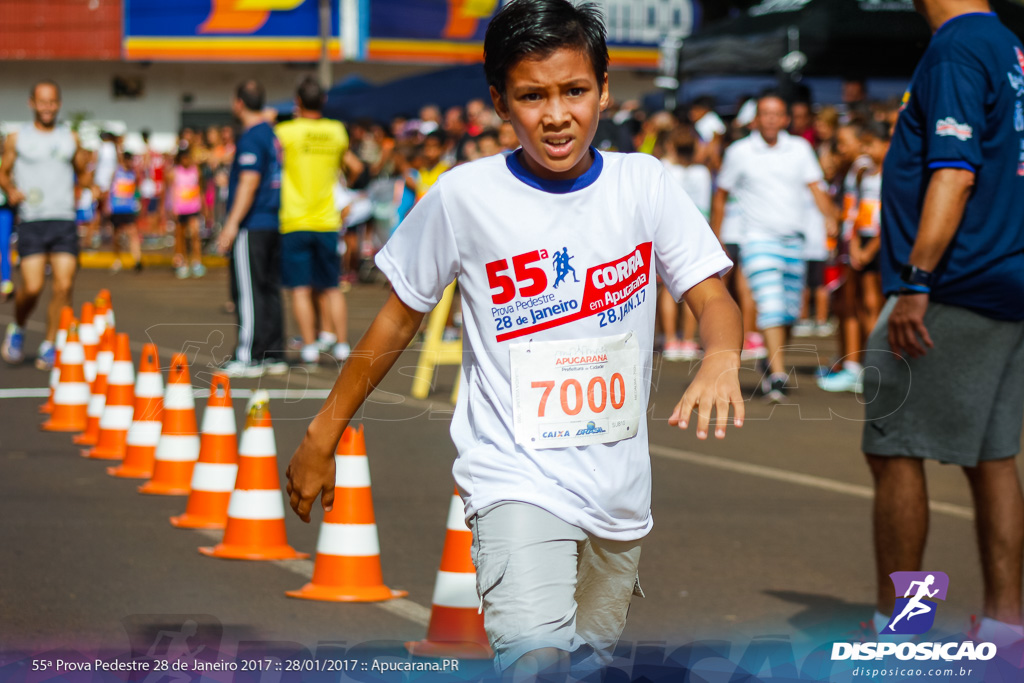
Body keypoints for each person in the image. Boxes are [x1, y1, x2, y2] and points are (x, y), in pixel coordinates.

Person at [285, 0, 744, 677]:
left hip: (618, 497)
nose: (556, 114)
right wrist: (322, 433)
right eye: (532, 96)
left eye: (574, 91)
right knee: (538, 659)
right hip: (513, 479)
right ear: (501, 102)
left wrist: (722, 355)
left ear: (605, 90)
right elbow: (397, 316)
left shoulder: (644, 184)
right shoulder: (464, 196)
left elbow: (712, 295)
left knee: (582, 663)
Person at [861, 0, 1024, 647]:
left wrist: (917, 280)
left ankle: (902, 629)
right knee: (993, 460)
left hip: (955, 281)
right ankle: (1009, 626)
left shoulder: (957, 47)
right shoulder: (1007, 45)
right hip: (1004, 275)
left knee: (894, 446)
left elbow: (953, 174)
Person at [711, 93, 836, 402]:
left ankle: (771, 359)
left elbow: (816, 186)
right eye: (764, 113)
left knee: (790, 313)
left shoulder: (800, 149)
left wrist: (830, 216)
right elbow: (721, 194)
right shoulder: (740, 152)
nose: (769, 119)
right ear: (756, 119)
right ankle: (779, 376)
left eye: (776, 114)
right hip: (757, 238)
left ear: (785, 119)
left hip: (795, 240)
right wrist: (715, 236)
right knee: (770, 303)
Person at [274, 77, 363, 367]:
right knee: (331, 286)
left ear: (297, 102)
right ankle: (341, 342)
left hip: (295, 217)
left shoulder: (286, 131)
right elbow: (354, 167)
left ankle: (310, 344)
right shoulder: (336, 131)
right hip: (327, 219)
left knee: (300, 287)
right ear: (323, 101)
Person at [0, 80, 88, 369]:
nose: (47, 107)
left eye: (52, 101)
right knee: (33, 287)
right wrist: (11, 190)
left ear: (58, 104)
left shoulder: (69, 138)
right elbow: (3, 172)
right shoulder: (17, 138)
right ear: (32, 103)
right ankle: (19, 328)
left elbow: (82, 172)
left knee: (63, 286)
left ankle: (50, 344)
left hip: (63, 220)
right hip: (32, 222)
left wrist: (89, 176)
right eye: (42, 101)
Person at [215, 79, 286, 378]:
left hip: (253, 222)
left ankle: (249, 354)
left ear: (239, 103)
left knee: (248, 290)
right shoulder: (270, 134)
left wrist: (230, 225)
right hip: (271, 220)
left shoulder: (252, 137)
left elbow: (249, 181)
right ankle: (272, 352)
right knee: (268, 288)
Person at [168, 149, 204, 279]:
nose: (186, 161)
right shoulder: (174, 172)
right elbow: (171, 191)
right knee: (180, 237)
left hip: (194, 208)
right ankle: (182, 262)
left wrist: (203, 206)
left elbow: (200, 189)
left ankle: (197, 261)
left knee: (195, 234)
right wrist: (172, 208)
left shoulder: (196, 171)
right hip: (180, 209)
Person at [107, 150, 143, 273]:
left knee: (132, 233)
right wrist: (108, 205)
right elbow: (109, 190)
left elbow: (137, 190)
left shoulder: (134, 173)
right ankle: (117, 259)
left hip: (129, 208)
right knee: (116, 236)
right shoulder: (116, 173)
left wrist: (138, 202)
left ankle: (137, 260)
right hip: (116, 208)